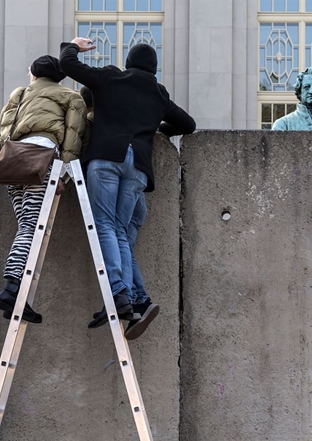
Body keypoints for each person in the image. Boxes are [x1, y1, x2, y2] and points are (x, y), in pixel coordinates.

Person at [59, 38, 196, 334]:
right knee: (119, 230)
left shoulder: (111, 77)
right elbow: (188, 124)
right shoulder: (158, 93)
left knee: (105, 226)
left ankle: (119, 291)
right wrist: (155, 127)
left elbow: (66, 65)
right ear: (154, 69)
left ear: (128, 63)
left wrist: (72, 46)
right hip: (139, 167)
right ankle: (135, 298)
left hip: (107, 158)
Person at [0, 55, 86, 323]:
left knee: (25, 224)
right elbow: (72, 139)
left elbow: (4, 131)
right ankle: (10, 288)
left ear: (33, 72)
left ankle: (16, 301)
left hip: (15, 160)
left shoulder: (20, 93)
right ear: (60, 77)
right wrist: (63, 176)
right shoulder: (71, 96)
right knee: (31, 228)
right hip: (42, 157)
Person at [80, 85, 157, 340]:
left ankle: (119, 293)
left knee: (109, 230)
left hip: (114, 176)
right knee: (123, 240)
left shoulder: (97, 120)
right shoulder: (131, 116)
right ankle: (139, 301)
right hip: (138, 193)